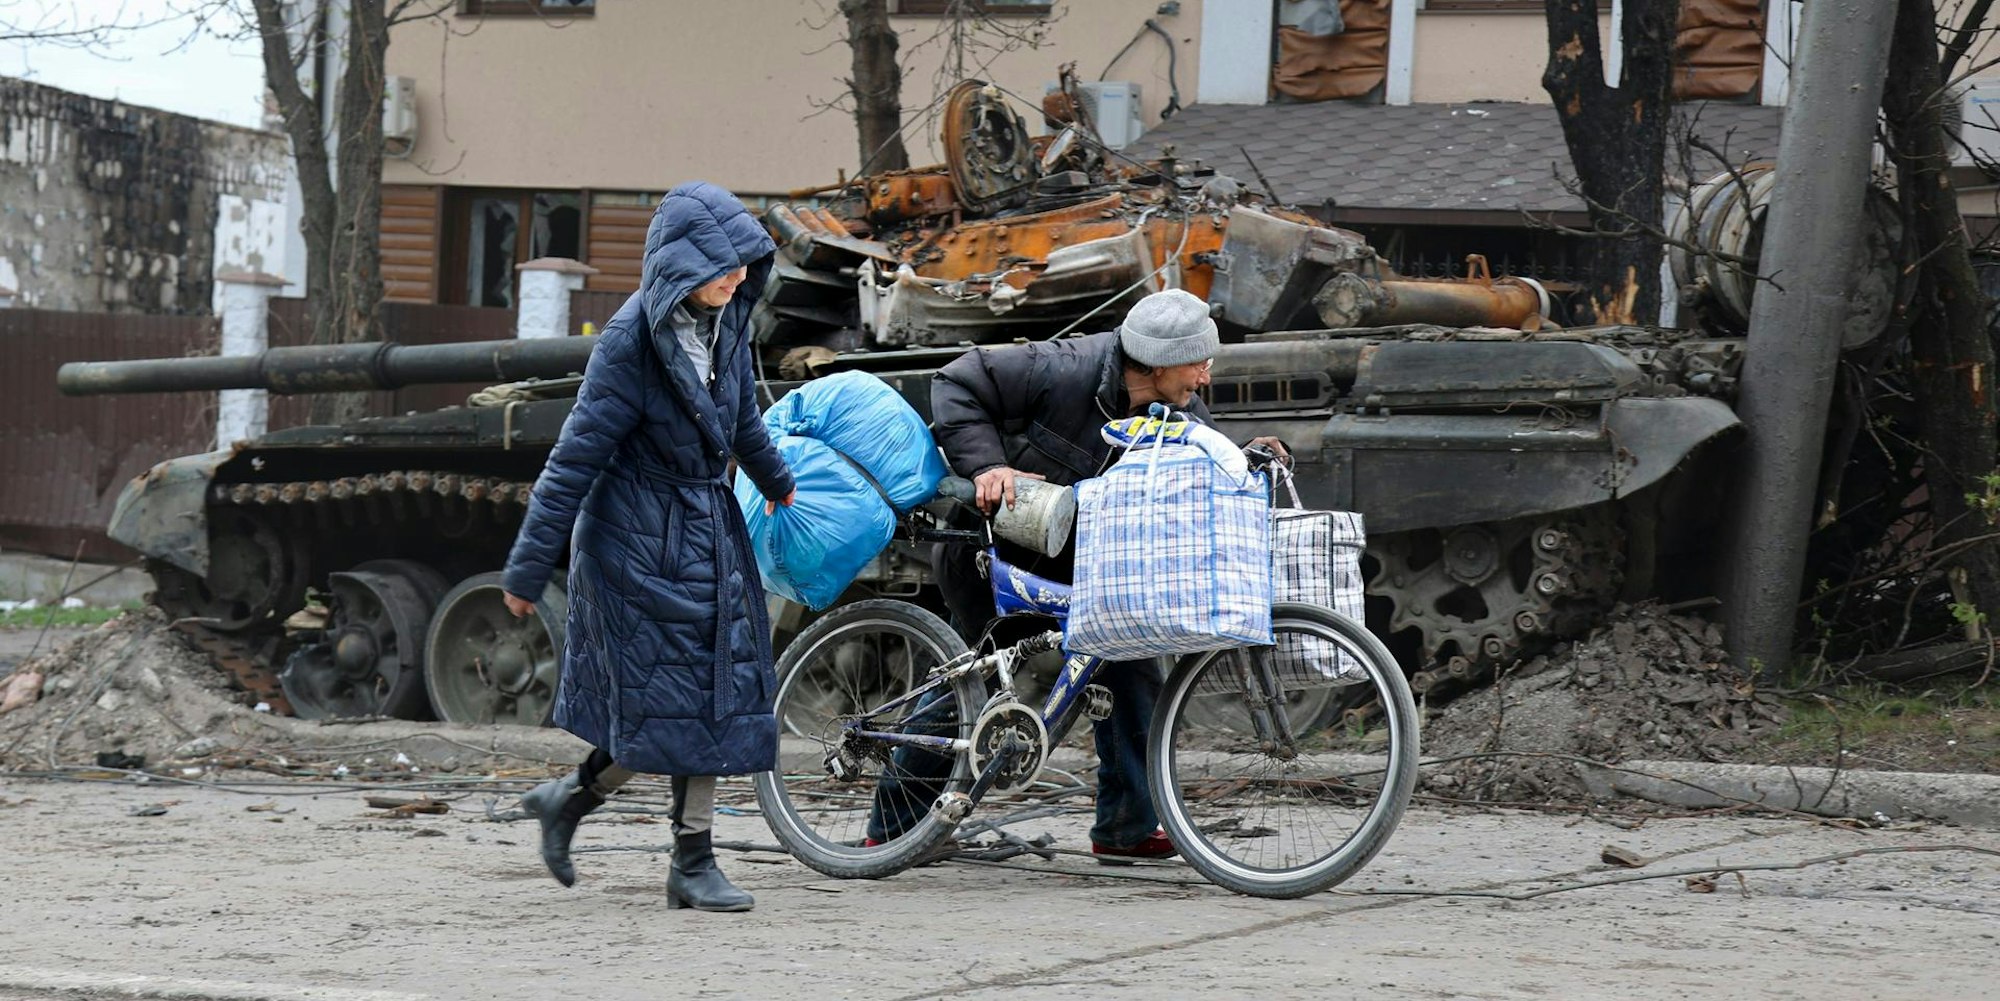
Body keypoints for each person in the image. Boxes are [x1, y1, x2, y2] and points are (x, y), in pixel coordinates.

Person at [869, 287, 1288, 862]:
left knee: (1135, 672)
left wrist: (1249, 453)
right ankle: (890, 828)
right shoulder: (1062, 368)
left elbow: (1202, 461)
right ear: (1160, 362)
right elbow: (958, 381)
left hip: (1092, 566)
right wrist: (987, 464)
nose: (1205, 379)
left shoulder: (1180, 408)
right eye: (1199, 363)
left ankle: (1125, 829)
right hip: (998, 555)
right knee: (979, 682)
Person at [500, 182, 797, 912]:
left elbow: (742, 419)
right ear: (683, 264)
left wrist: (778, 480)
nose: (735, 276)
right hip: (635, 540)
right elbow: (573, 459)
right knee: (686, 700)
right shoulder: (631, 343)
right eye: (721, 264)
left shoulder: (726, 322)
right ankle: (690, 861)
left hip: (705, 525)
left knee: (705, 698)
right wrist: (527, 567)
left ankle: (572, 798)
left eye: (742, 263)